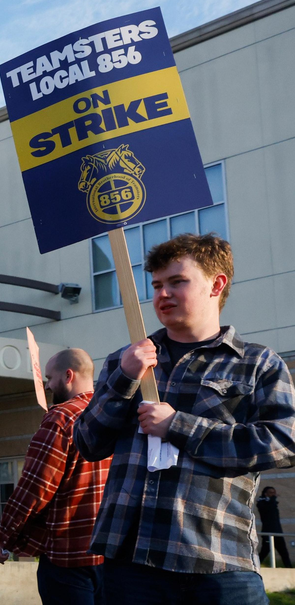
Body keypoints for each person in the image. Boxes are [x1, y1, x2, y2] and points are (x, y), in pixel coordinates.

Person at [74, 234, 295, 604]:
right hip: (131, 563)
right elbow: (88, 442)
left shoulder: (257, 363)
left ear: (217, 284)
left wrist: (178, 426)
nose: (163, 294)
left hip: (218, 561)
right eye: (157, 284)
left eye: (178, 282)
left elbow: (283, 443)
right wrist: (125, 377)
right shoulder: (124, 360)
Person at [0, 349, 109, 605]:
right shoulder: (115, 416)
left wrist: (6, 536)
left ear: (68, 375)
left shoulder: (61, 417)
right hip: (114, 557)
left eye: (50, 378)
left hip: (69, 557)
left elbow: (35, 488)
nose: (47, 385)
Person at [257, 487, 292, 568]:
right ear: (266, 494)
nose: (273, 494)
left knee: (284, 553)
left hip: (277, 532)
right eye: (270, 492)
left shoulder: (273, 503)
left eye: (274, 493)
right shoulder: (262, 502)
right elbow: (267, 509)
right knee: (264, 552)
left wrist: (273, 500)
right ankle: (255, 567)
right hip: (268, 532)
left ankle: (290, 568)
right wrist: (272, 499)